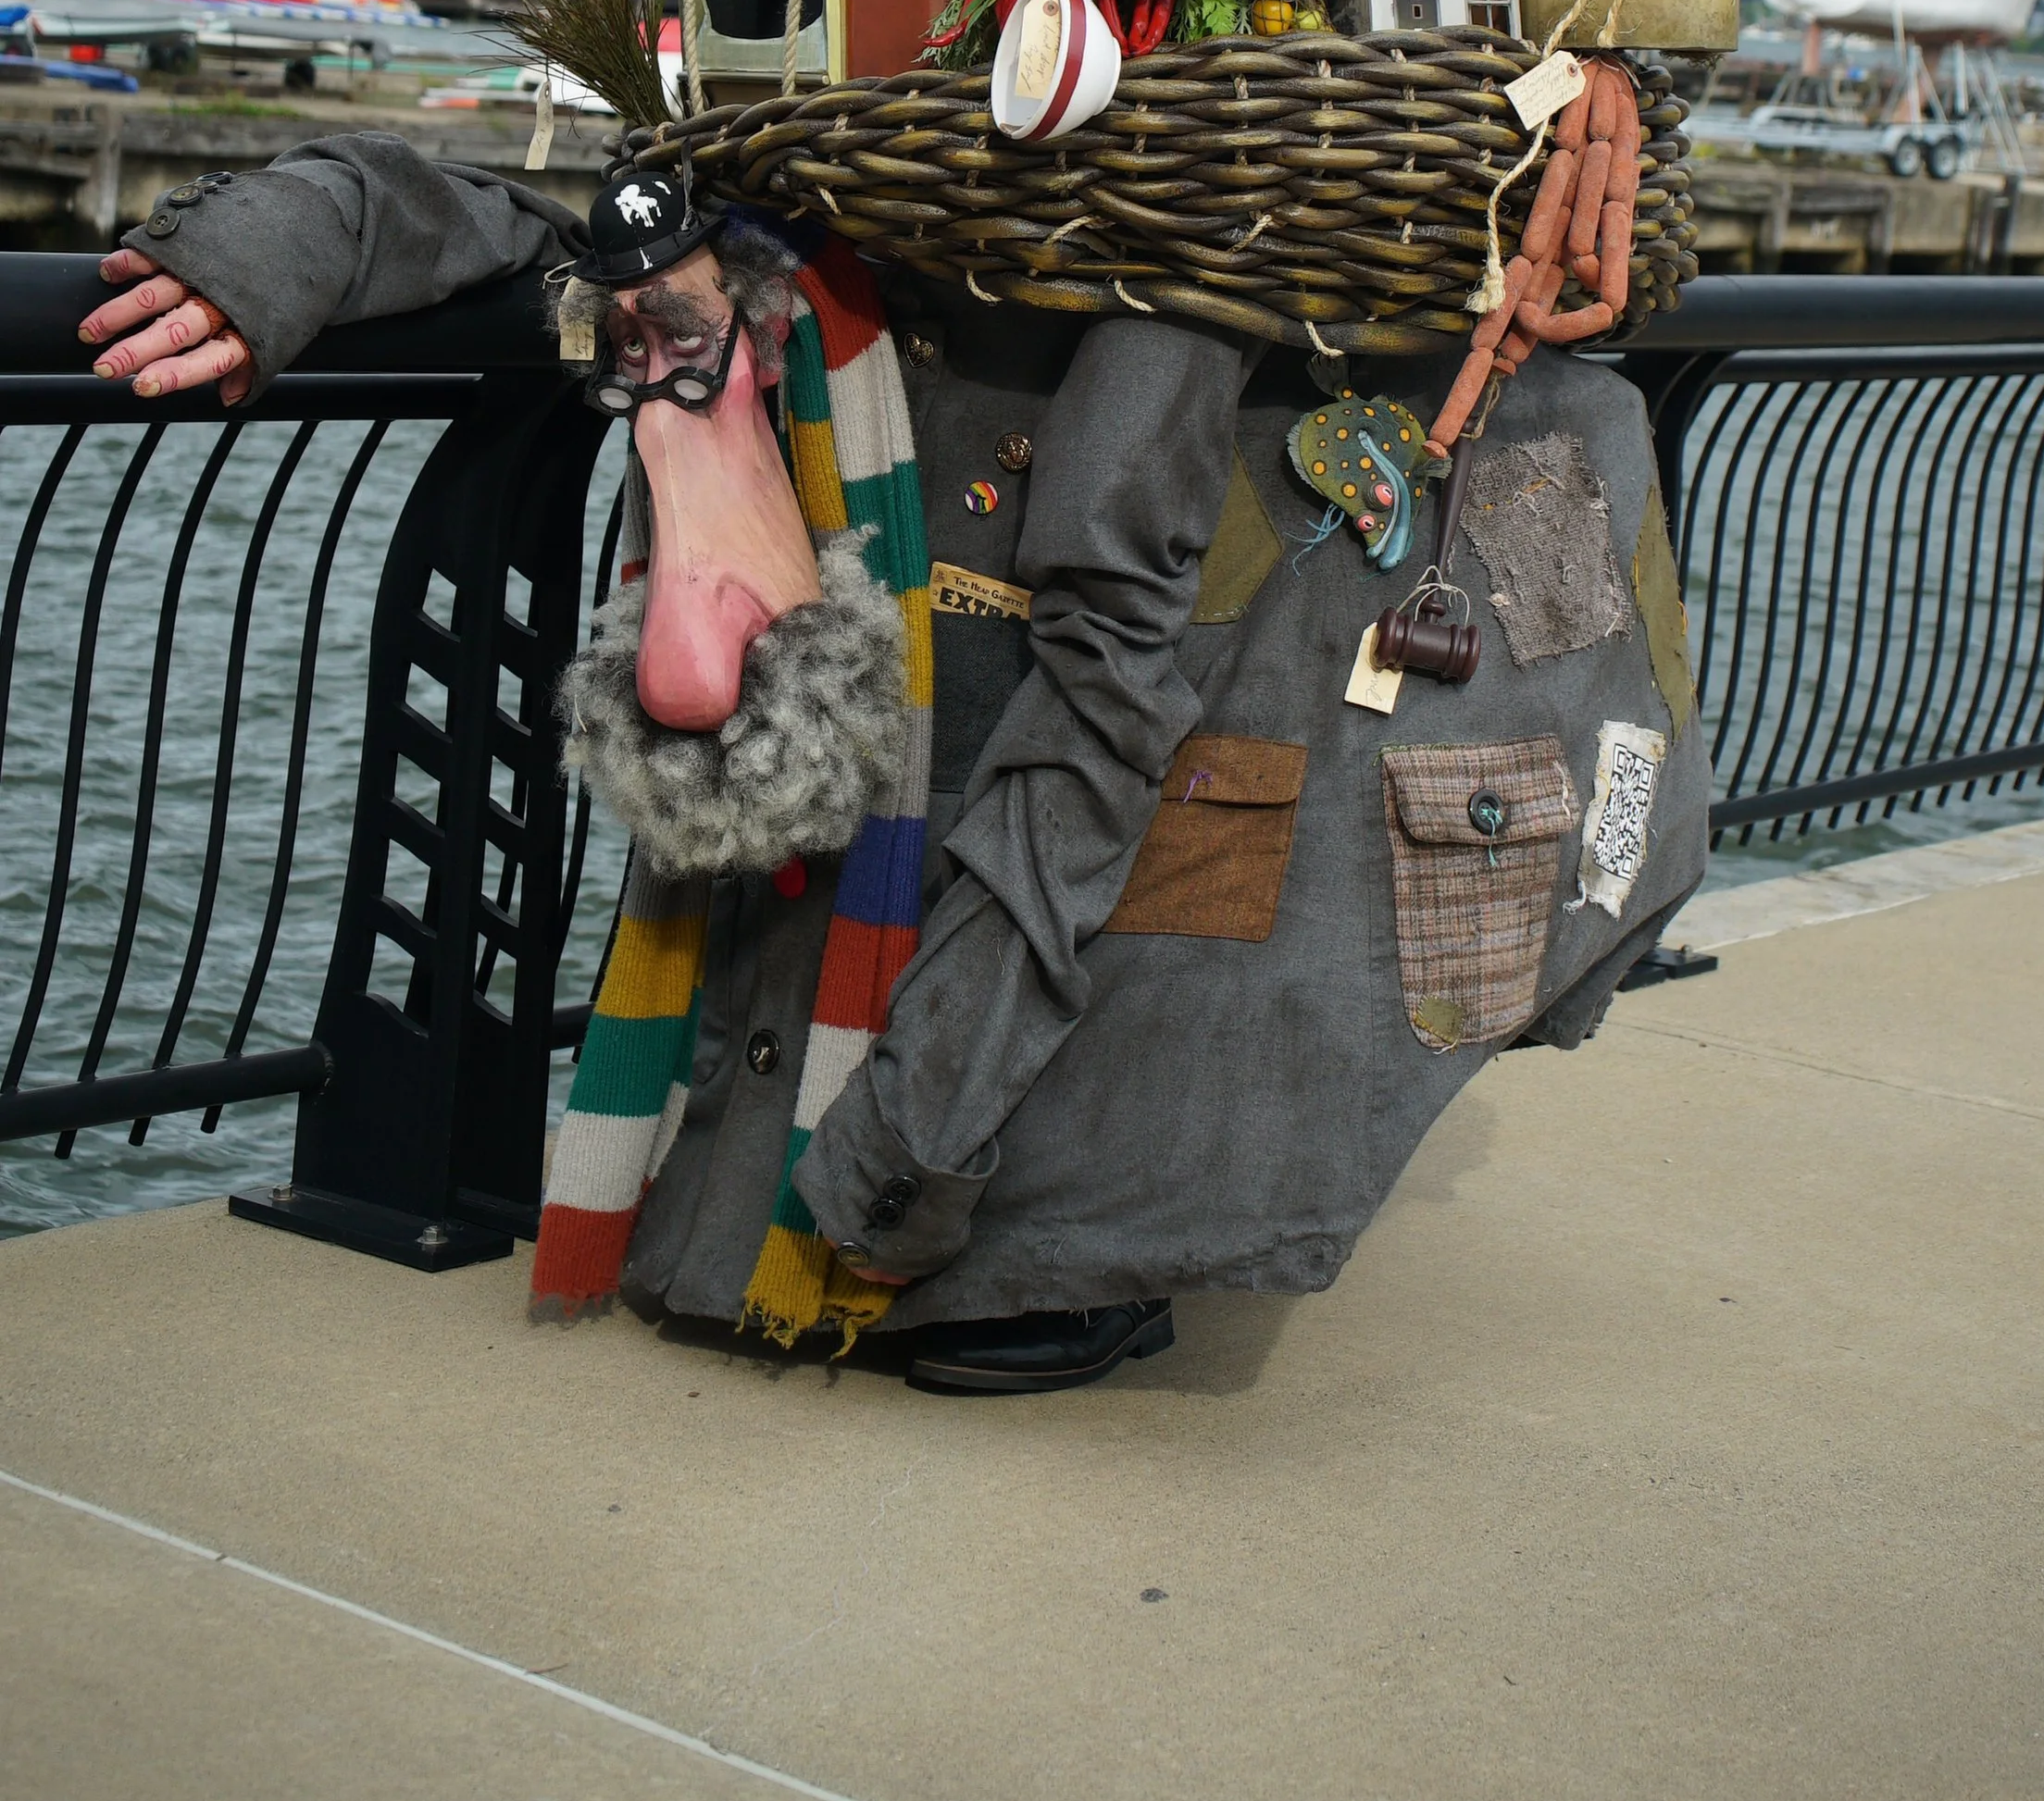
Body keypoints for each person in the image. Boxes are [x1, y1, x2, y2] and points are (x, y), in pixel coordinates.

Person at [81, 122, 1706, 1393]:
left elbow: (1102, 718)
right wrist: (284, 243)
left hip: (1130, 751)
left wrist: (904, 1159)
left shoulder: (789, 331)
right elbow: (529, 223)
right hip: (1045, 749)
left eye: (668, 353)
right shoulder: (777, 316)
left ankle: (1026, 1244)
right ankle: (903, 1221)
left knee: (1163, 846)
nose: (660, 379)